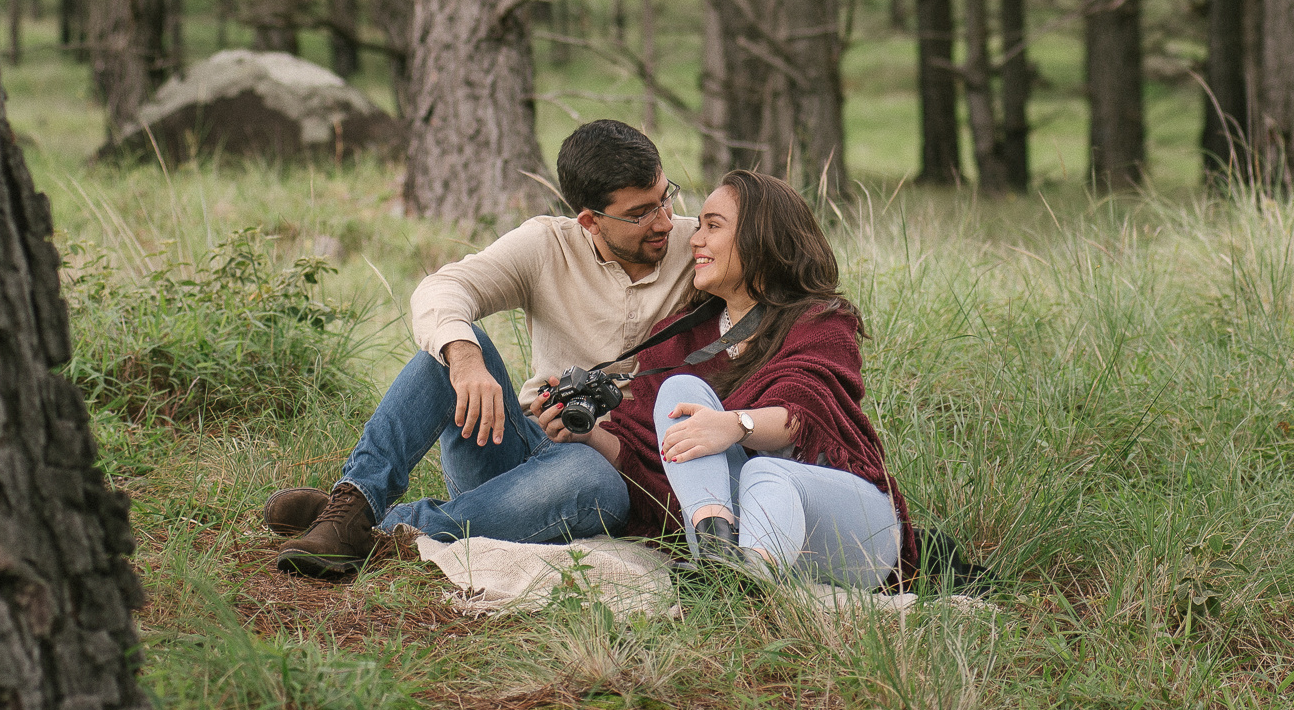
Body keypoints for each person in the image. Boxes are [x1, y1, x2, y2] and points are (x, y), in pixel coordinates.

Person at [269, 119, 696, 577]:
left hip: (609, 466)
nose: (664, 221)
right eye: (640, 214)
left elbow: (756, 272)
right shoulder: (547, 244)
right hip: (518, 443)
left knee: (591, 480)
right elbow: (444, 287)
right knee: (452, 346)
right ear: (589, 220)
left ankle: (380, 527)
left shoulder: (700, 249)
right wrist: (466, 360)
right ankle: (354, 502)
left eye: (664, 198)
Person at [528, 169, 919, 589]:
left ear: (760, 237)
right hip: (748, 526)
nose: (694, 240)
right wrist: (587, 435)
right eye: (698, 227)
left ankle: (745, 575)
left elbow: (807, 413)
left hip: (849, 530)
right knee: (680, 390)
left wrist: (734, 425)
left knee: (765, 474)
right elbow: (647, 459)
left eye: (712, 226)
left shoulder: (820, 322)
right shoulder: (678, 340)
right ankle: (721, 559)